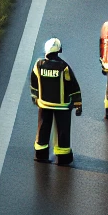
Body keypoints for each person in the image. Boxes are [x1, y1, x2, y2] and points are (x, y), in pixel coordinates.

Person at [30, 37, 83, 165]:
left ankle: (40, 155)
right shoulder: (63, 66)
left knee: (42, 128)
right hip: (62, 106)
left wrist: (35, 98)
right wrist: (78, 104)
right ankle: (63, 158)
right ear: (59, 50)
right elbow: (73, 86)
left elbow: (34, 84)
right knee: (62, 131)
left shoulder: (38, 65)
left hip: (44, 104)